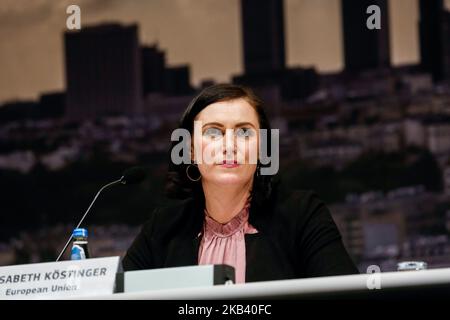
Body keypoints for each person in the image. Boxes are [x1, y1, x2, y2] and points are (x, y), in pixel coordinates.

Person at [122, 84, 359, 283]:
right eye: (213, 132)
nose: (229, 145)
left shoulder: (301, 214)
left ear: (261, 149)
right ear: (190, 150)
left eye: (244, 133)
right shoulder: (162, 228)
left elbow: (346, 294)